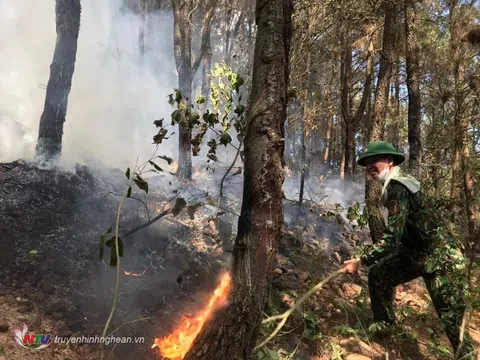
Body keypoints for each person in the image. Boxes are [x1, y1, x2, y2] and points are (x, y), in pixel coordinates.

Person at [343, 140, 475, 359]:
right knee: (379, 274)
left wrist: (360, 260)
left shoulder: (398, 187)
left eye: (373, 161)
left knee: (451, 320)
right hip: (418, 254)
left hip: (442, 258)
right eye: (366, 163)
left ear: (390, 160)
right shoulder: (398, 184)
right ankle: (386, 331)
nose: (369, 167)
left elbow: (391, 238)